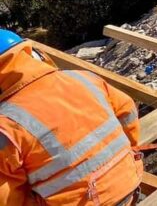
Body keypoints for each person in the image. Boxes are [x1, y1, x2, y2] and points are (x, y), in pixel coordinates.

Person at [0, 29, 143, 205]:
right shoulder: (81, 77)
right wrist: (125, 154)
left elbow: (7, 199)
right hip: (129, 185)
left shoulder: (5, 126)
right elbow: (127, 110)